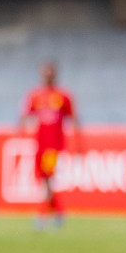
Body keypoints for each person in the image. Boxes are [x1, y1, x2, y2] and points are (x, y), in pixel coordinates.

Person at [19, 60, 80, 229]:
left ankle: (42, 216)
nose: (47, 77)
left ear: (55, 75)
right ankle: (59, 213)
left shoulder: (63, 96)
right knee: (44, 180)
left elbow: (74, 119)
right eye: (45, 73)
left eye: (50, 73)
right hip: (39, 144)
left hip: (54, 145)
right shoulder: (35, 95)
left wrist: (77, 143)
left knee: (47, 179)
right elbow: (25, 115)